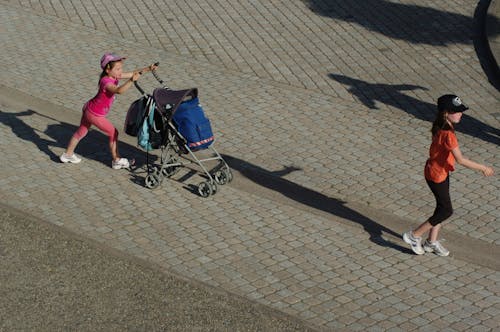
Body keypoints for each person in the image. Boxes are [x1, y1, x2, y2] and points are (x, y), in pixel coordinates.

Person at [403, 94, 494, 256]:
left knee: (441, 207)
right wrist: (483, 168)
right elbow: (460, 159)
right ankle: (414, 235)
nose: (460, 114)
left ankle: (431, 242)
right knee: (446, 211)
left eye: (460, 111)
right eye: (456, 111)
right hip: (437, 175)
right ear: (446, 113)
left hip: (439, 171)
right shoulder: (448, 134)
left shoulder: (441, 124)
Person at [60, 53, 157, 169]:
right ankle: (116, 160)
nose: (121, 71)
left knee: (81, 131)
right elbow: (119, 90)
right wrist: (131, 81)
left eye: (121, 68)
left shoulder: (114, 76)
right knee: (113, 132)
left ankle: (67, 154)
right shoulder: (106, 82)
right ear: (107, 69)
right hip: (95, 114)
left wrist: (147, 69)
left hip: (89, 108)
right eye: (118, 69)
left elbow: (133, 73)